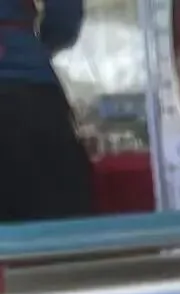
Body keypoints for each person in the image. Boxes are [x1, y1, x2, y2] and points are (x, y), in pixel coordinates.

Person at [0, 0, 94, 222]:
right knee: (59, 224)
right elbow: (65, 13)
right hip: (29, 94)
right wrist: (38, 46)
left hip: (26, 90)